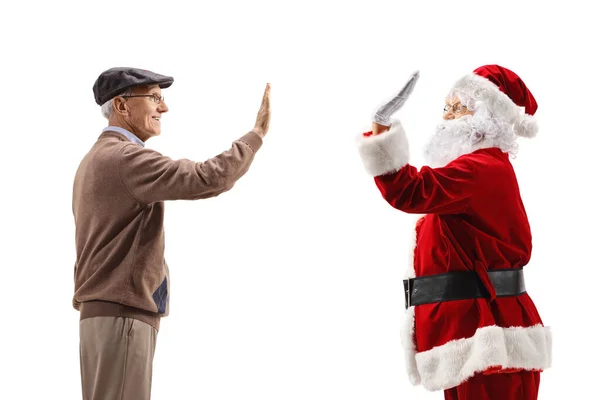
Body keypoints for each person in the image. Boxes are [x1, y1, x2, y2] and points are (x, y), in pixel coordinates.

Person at [72, 67, 271, 400]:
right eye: (154, 98)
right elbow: (209, 177)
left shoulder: (94, 159)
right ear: (121, 106)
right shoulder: (125, 158)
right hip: (121, 316)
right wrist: (257, 134)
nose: (163, 108)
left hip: (104, 317)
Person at [355, 65, 552, 399]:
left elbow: (409, 190)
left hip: (488, 340)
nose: (446, 117)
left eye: (458, 108)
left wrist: (380, 126)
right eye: (446, 107)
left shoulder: (479, 170)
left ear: (487, 117)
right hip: (473, 340)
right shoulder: (482, 171)